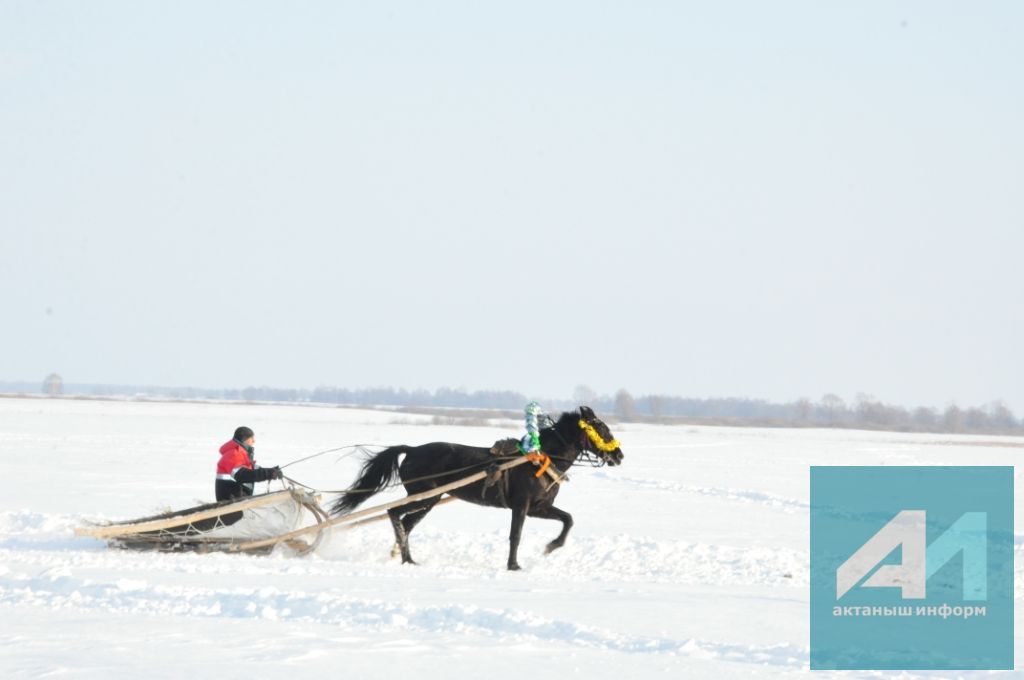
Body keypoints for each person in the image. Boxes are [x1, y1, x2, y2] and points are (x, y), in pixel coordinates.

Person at [215, 426, 283, 501]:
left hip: (237, 499)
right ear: (244, 439)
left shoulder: (241, 453)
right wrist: (268, 473)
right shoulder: (233, 454)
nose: (254, 441)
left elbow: (252, 468)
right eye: (252, 438)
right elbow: (242, 475)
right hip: (230, 501)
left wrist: (271, 471)